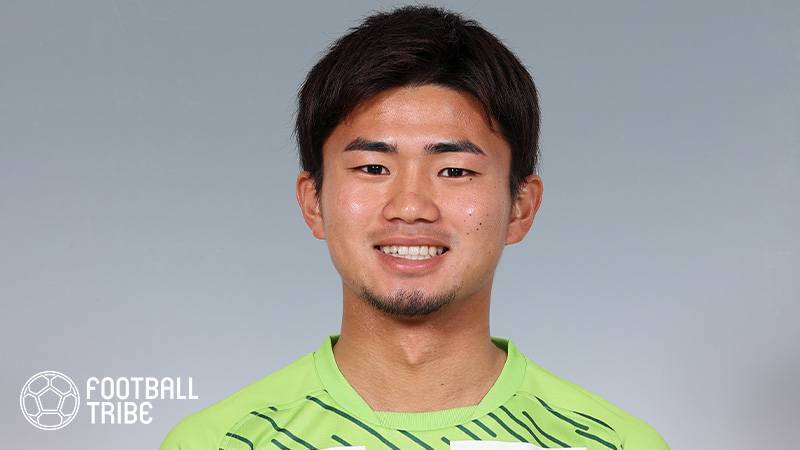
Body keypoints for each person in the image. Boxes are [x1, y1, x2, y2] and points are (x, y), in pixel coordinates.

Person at [160, 5, 669, 450]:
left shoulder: (611, 443)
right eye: (373, 167)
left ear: (521, 207)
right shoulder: (219, 442)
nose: (410, 207)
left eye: (455, 171)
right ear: (313, 202)